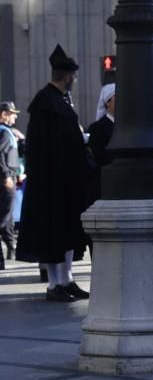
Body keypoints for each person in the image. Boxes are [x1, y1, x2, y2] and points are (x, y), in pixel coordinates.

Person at [16, 44, 90, 302]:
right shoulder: (44, 103)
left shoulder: (58, 101)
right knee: (54, 233)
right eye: (73, 76)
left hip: (66, 179)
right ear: (67, 76)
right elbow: (40, 147)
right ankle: (54, 284)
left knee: (68, 231)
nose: (75, 80)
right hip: (51, 180)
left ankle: (67, 280)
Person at [86, 83, 115, 205]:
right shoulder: (97, 128)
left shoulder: (127, 127)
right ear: (108, 102)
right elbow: (100, 156)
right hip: (105, 183)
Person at [0, 101, 20, 269]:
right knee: (4, 217)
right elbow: (1, 155)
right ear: (3, 114)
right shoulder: (5, 133)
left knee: (7, 218)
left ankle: (10, 249)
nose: (15, 116)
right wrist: (7, 176)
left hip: (9, 177)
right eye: (12, 113)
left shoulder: (6, 132)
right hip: (6, 180)